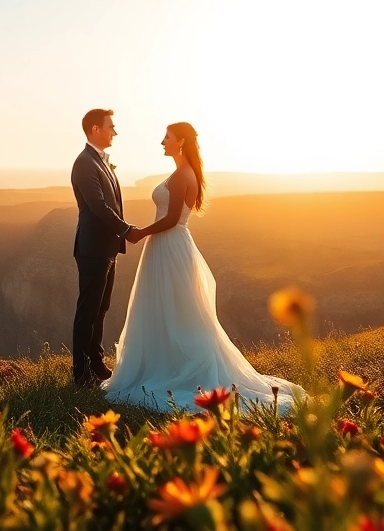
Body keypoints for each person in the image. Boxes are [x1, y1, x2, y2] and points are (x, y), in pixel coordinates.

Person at [104, 122, 305, 412]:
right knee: (170, 307)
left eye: (167, 137)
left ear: (181, 142)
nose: (162, 141)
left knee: (174, 307)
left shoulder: (181, 175)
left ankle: (173, 367)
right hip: (170, 246)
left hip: (169, 245)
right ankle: (167, 360)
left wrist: (140, 233)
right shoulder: (185, 172)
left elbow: (172, 219)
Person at [69, 109, 140, 387]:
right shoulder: (84, 162)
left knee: (101, 308)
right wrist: (126, 230)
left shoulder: (99, 161)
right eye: (111, 127)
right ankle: (81, 373)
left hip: (106, 247)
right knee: (88, 311)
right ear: (95, 129)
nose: (115, 132)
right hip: (92, 248)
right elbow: (98, 205)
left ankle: (96, 362)